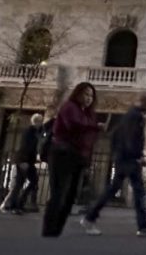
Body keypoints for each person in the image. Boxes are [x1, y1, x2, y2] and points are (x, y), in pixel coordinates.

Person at [80, 93, 146, 237]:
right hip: (130, 160)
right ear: (145, 103)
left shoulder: (127, 115)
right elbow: (133, 139)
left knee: (113, 189)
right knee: (138, 192)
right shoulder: (136, 116)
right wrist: (137, 156)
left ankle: (90, 217)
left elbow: (115, 135)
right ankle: (143, 226)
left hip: (122, 158)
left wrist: (117, 154)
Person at [41, 82, 102, 238]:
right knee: (59, 193)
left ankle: (56, 230)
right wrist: (94, 127)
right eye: (86, 94)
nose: (89, 98)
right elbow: (73, 126)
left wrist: (87, 160)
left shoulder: (88, 113)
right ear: (78, 93)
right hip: (62, 154)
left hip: (78, 157)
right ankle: (49, 231)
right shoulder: (69, 107)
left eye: (91, 96)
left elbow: (89, 140)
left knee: (70, 196)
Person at [0, 113, 43, 214]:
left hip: (28, 161)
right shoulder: (29, 132)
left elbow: (33, 148)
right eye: (40, 122)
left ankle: (16, 204)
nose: (41, 124)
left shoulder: (36, 132)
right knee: (21, 183)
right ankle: (13, 205)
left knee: (29, 182)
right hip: (24, 161)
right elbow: (25, 147)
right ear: (36, 122)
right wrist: (24, 161)